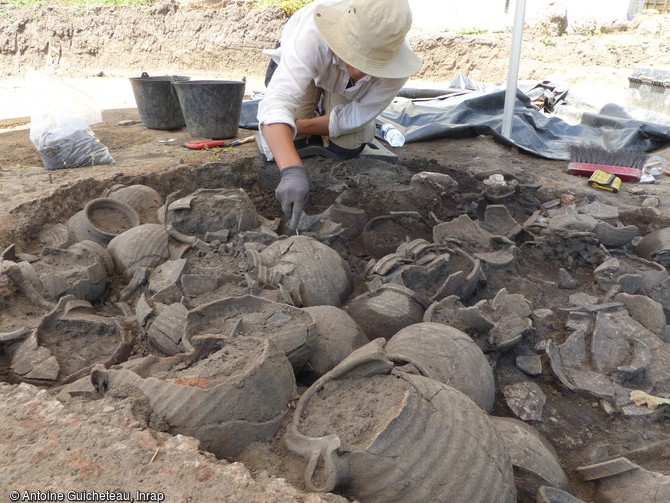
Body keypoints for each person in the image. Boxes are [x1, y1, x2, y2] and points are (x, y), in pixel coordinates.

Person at [257, 0, 422, 229]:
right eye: (355, 57)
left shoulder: (396, 67)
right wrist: (291, 170)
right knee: (283, 140)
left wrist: (299, 125)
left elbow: (355, 114)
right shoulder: (311, 35)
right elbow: (276, 104)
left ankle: (314, 117)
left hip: (346, 90)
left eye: (370, 64)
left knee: (348, 143)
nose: (359, 70)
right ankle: (313, 107)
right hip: (313, 65)